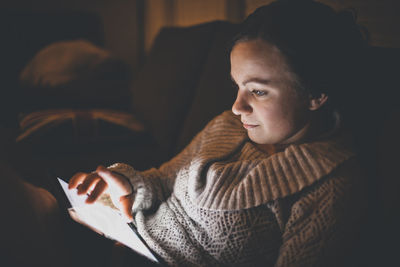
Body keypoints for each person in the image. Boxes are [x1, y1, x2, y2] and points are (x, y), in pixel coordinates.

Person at [69, 0, 368, 266]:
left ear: (316, 94)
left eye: (259, 91)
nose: (238, 106)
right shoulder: (228, 125)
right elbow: (162, 179)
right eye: (237, 86)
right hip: (124, 237)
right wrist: (128, 185)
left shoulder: (332, 190)